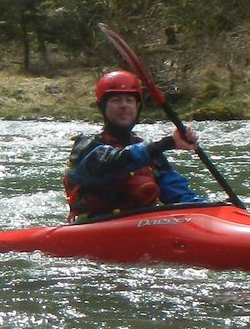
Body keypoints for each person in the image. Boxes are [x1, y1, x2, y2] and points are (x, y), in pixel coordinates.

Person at [64, 70, 203, 222]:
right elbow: (112, 162)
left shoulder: (150, 153)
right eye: (116, 100)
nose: (124, 105)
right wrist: (168, 143)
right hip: (95, 227)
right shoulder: (86, 145)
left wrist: (207, 211)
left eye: (129, 100)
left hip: (142, 228)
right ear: (102, 107)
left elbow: (178, 193)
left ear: (137, 106)